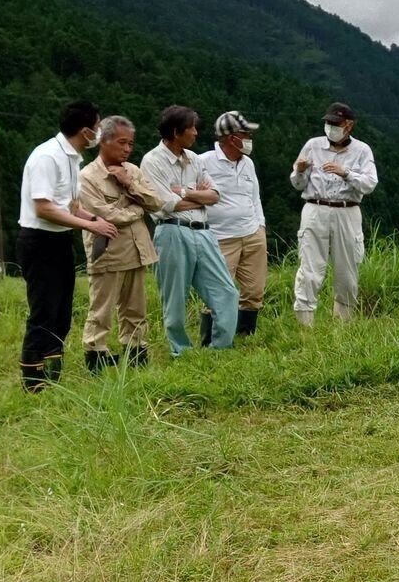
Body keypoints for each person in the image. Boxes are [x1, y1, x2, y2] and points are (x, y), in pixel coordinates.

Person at [17, 102, 117, 391]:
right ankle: (33, 383)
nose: (99, 133)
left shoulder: (73, 158)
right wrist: (89, 226)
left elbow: (69, 206)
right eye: (98, 128)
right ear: (85, 131)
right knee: (43, 311)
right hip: (38, 242)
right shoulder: (47, 156)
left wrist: (94, 218)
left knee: (61, 312)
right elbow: (43, 208)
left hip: (60, 240)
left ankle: (53, 377)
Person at [77, 115, 179, 370]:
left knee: (136, 307)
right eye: (122, 142)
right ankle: (95, 353)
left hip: (138, 249)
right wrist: (137, 211)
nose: (127, 149)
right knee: (102, 307)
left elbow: (156, 202)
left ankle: (135, 352)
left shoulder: (132, 171)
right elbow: (104, 214)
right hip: (108, 251)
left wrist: (128, 183)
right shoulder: (88, 177)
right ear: (104, 141)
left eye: (131, 144)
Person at [139, 105, 238, 355]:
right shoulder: (152, 161)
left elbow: (215, 195)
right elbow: (164, 203)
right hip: (172, 231)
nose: (196, 132)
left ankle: (220, 348)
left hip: (203, 231)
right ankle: (180, 352)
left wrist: (184, 192)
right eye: (191, 128)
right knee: (175, 298)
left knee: (227, 290)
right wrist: (198, 197)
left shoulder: (194, 158)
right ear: (176, 131)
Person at [289, 101, 379, 326]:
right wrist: (298, 171)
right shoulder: (313, 145)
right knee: (310, 267)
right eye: (328, 123)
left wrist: (346, 173)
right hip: (315, 207)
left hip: (347, 211)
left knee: (347, 268)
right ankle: (304, 324)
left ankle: (343, 323)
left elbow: (369, 184)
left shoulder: (362, 150)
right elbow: (298, 184)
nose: (331, 127)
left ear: (349, 125)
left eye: (336, 123)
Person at [200, 110, 267, 341]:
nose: (249, 138)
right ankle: (210, 339)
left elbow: (255, 197)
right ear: (231, 138)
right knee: (218, 290)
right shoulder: (203, 162)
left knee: (254, 289)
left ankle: (245, 334)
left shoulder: (247, 163)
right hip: (220, 236)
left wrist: (261, 227)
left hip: (252, 233)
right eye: (245, 134)